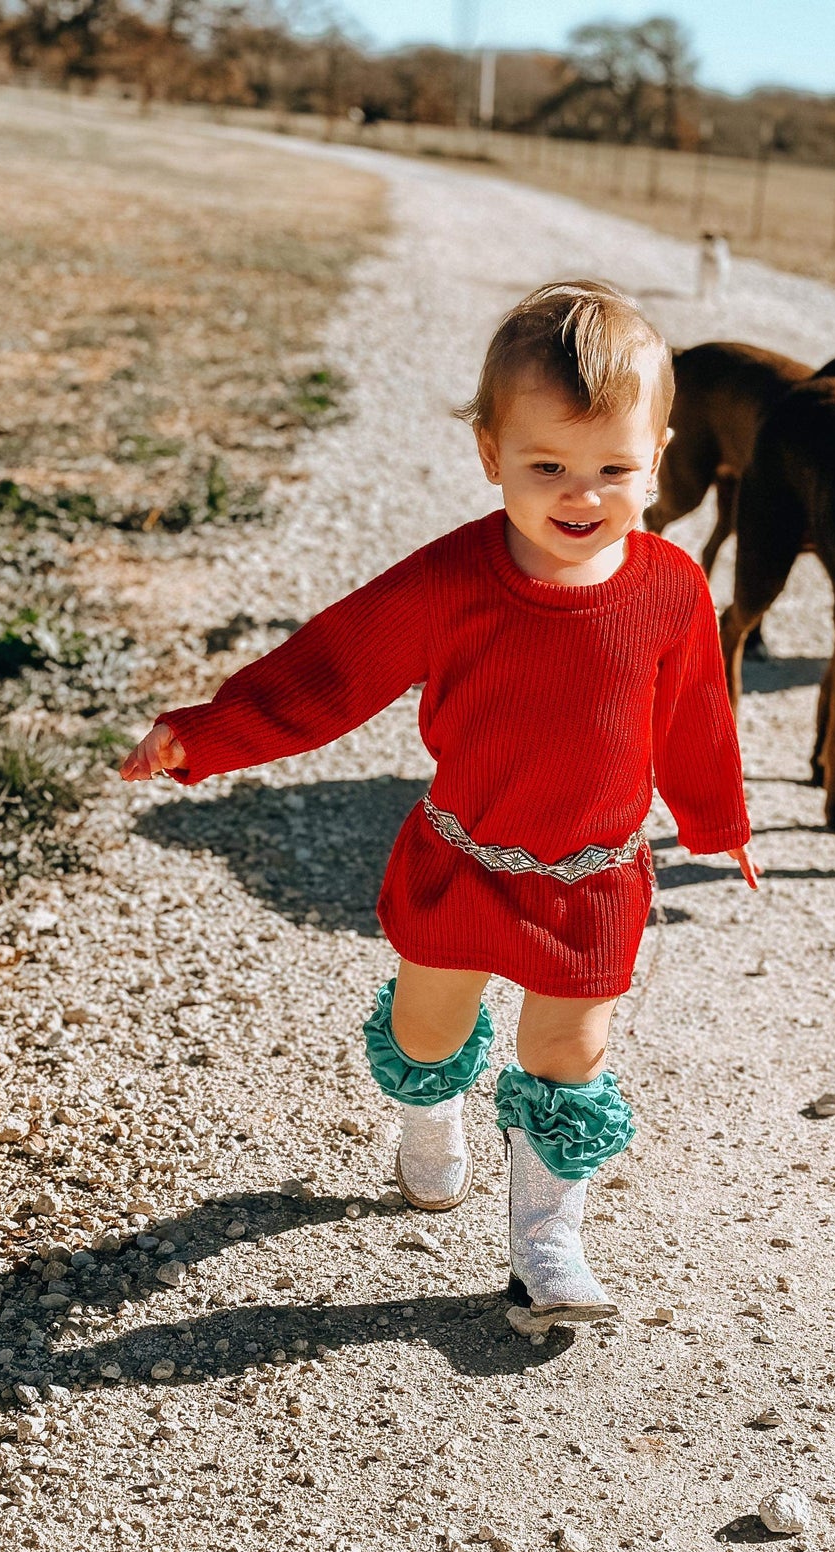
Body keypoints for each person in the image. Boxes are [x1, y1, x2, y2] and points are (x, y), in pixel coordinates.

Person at [121, 281, 757, 1335]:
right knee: (428, 1026)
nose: (579, 492)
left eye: (613, 467)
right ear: (488, 452)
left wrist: (717, 823)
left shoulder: (669, 587)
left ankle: (547, 1247)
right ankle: (427, 1118)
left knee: (569, 1055)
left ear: (660, 457)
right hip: (462, 860)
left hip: (593, 876)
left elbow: (695, 715)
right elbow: (330, 669)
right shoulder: (451, 580)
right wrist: (209, 732)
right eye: (545, 463)